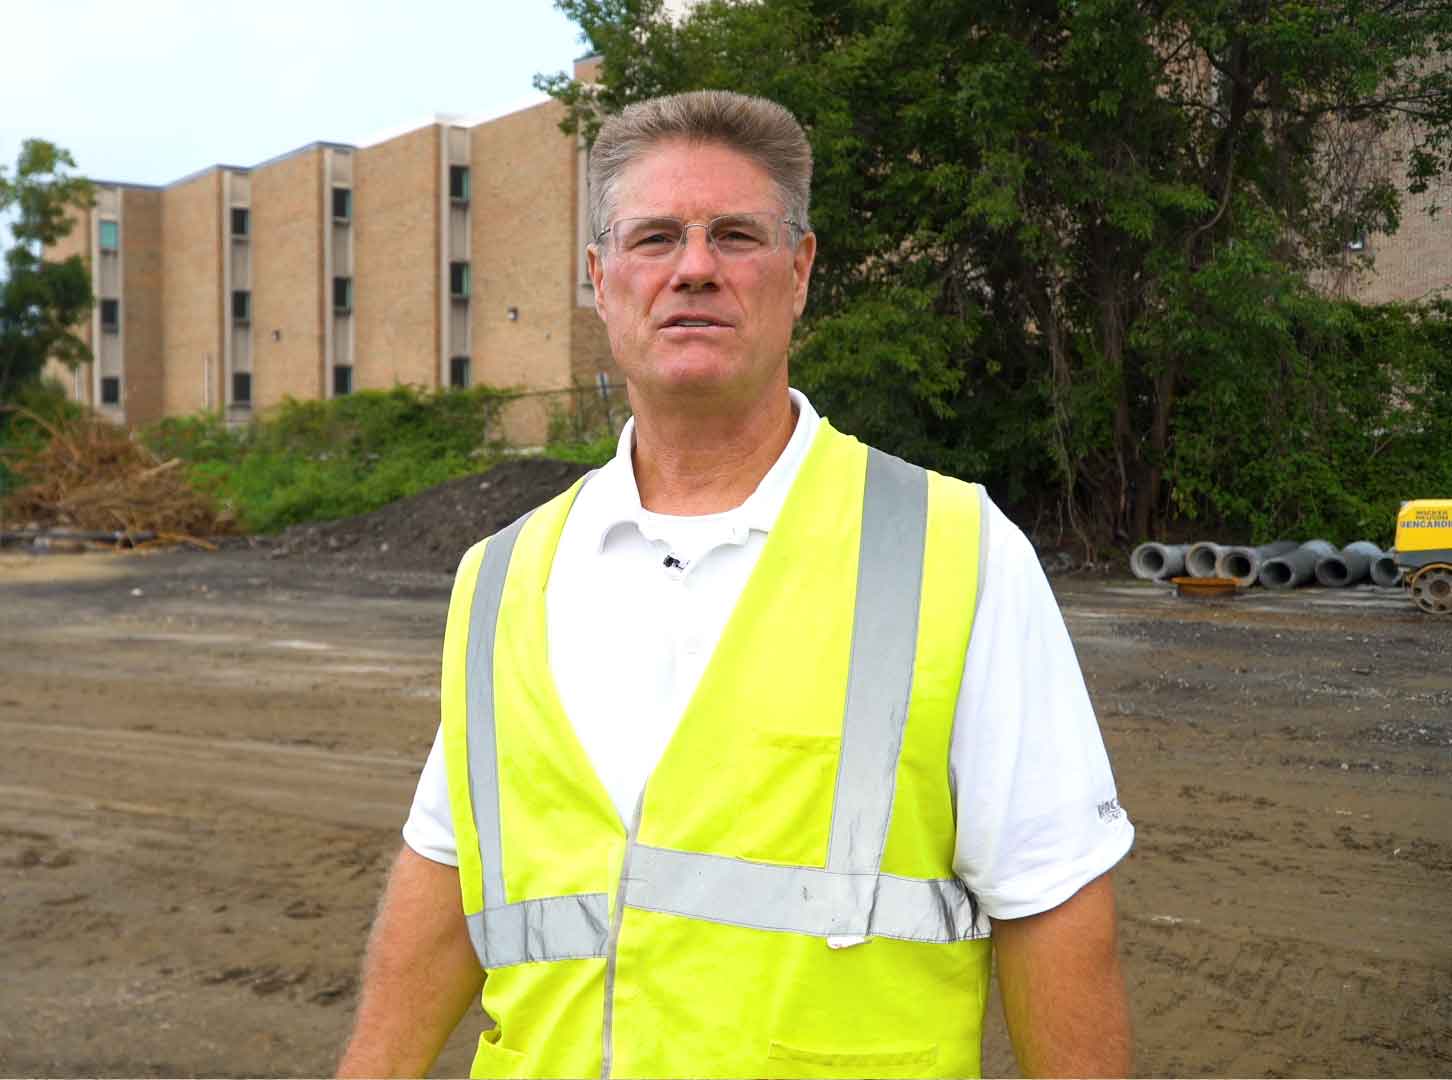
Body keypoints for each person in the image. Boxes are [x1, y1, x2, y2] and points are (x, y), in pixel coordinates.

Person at [336, 90, 1133, 1080]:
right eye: (656, 236)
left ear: (799, 272)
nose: (695, 268)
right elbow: (447, 870)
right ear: (599, 279)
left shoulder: (951, 550)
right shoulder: (501, 578)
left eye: (737, 236)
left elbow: (1054, 908)